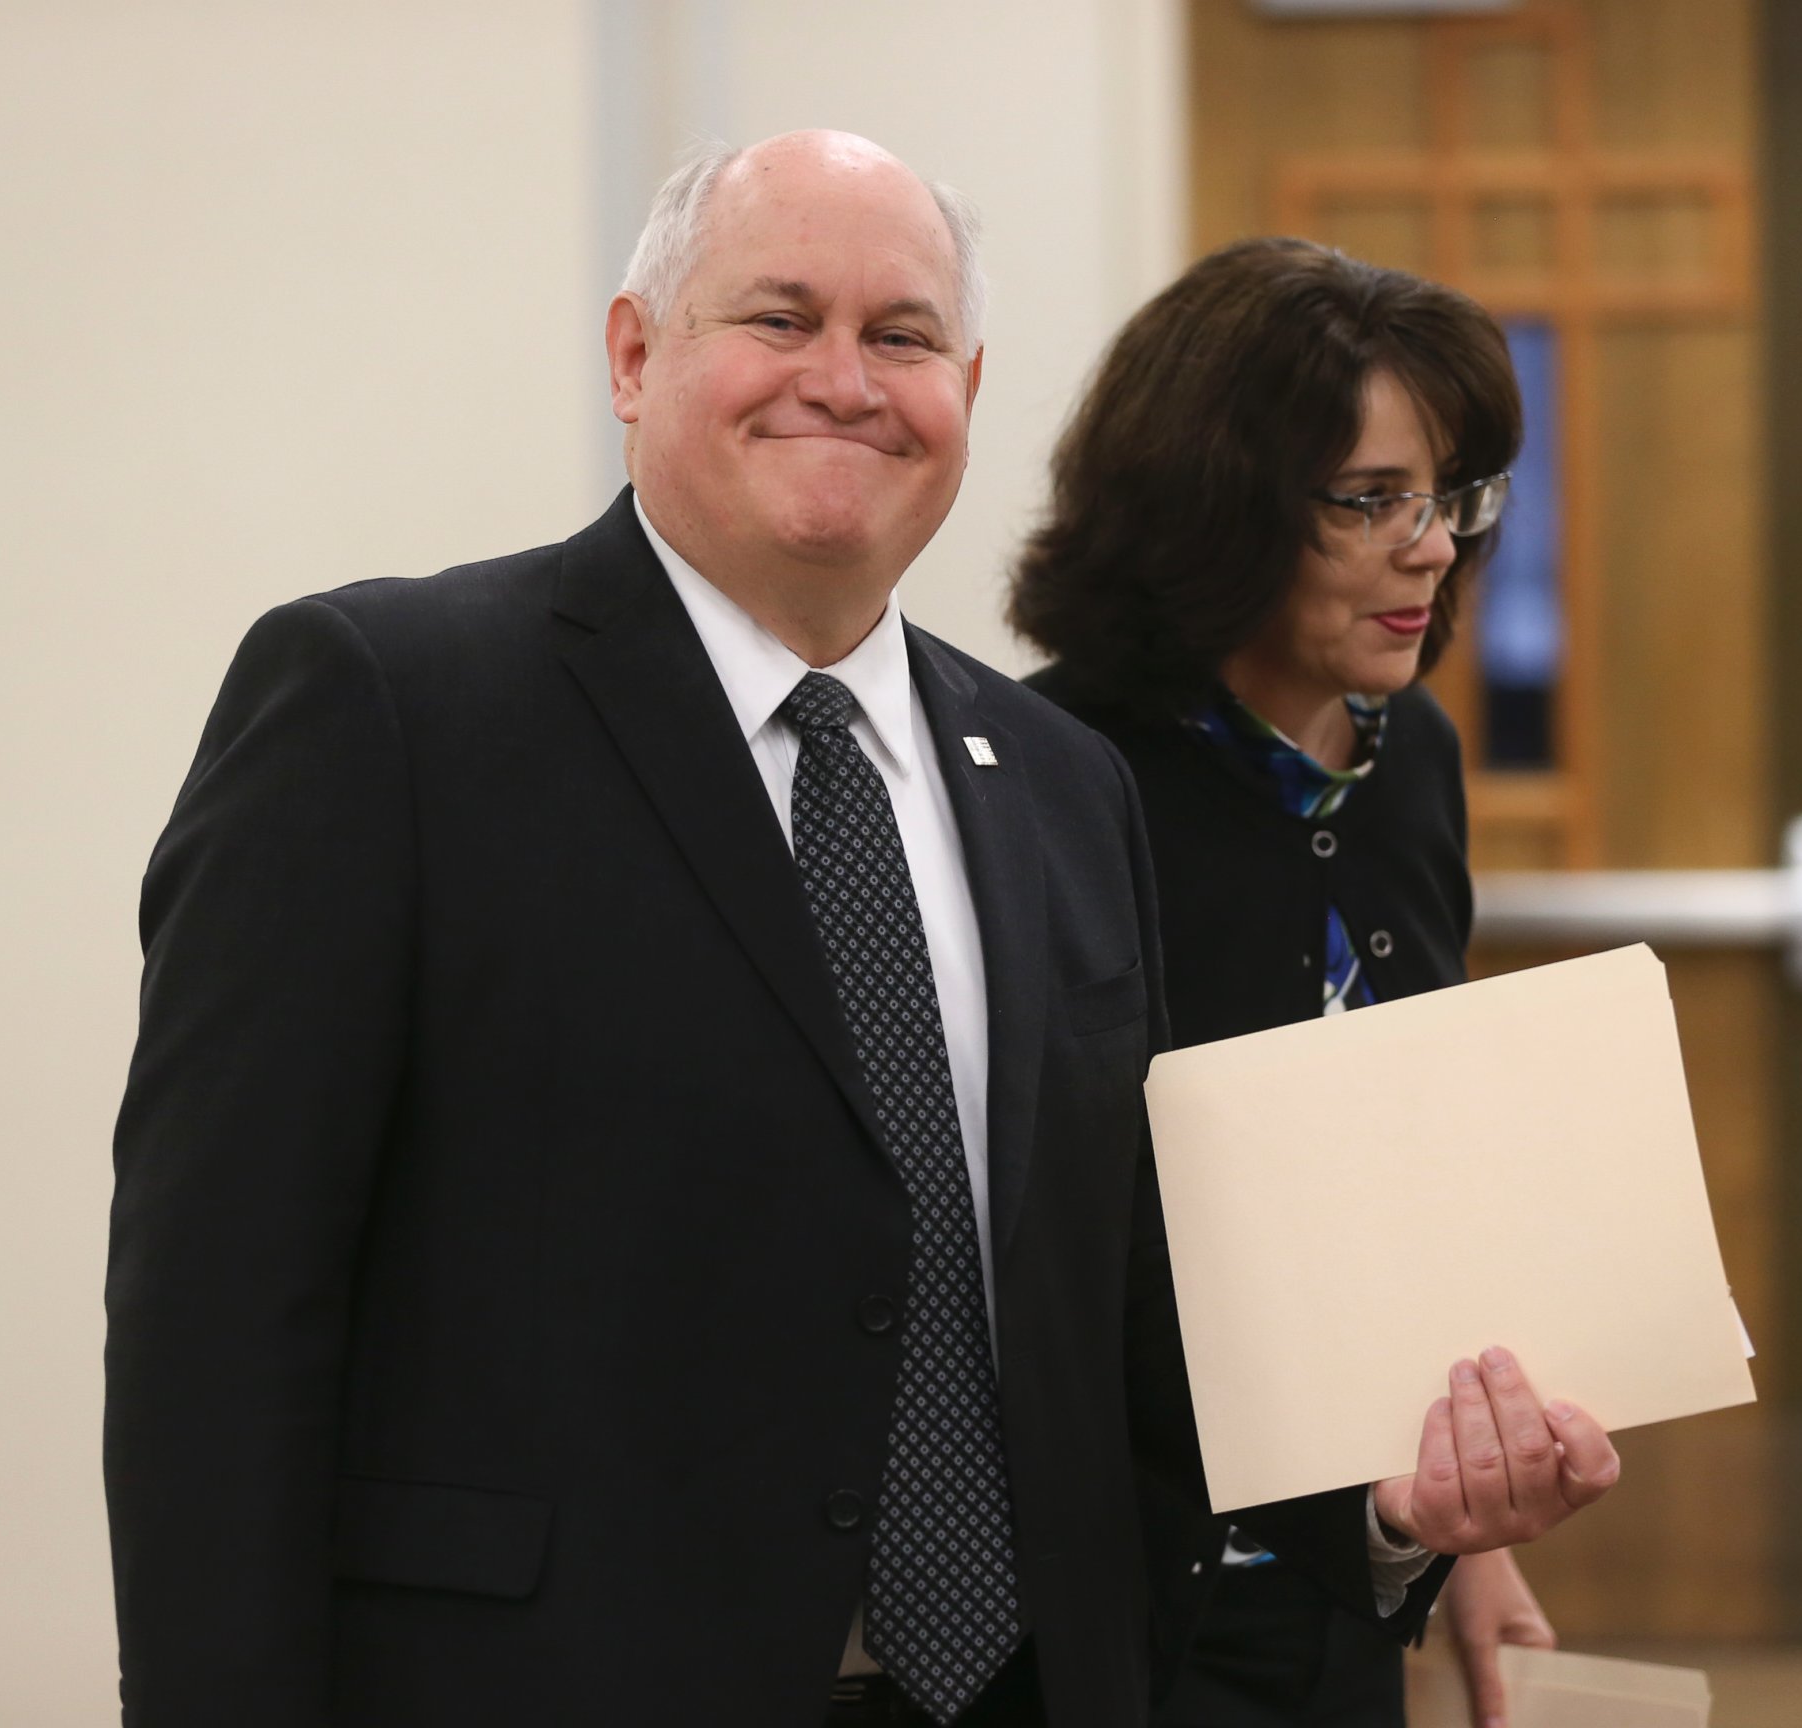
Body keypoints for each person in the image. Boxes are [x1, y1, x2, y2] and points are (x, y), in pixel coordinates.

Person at [105, 136, 1619, 1728]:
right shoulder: (390, 705)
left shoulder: (1056, 787)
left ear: (966, 385)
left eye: (901, 337)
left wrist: (1387, 1525)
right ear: (635, 355)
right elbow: (221, 1316)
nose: (844, 379)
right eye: (777, 319)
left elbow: (1114, 1327)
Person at [1013, 238, 1563, 1728]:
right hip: (1116, 1601)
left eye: (1450, 495)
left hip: (1351, 1578)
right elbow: (1061, 1253)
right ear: (1217, 513)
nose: (1434, 545)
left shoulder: (1412, 759)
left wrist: (1468, 1551)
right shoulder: (1046, 780)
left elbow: (1400, 1179)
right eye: (1373, 500)